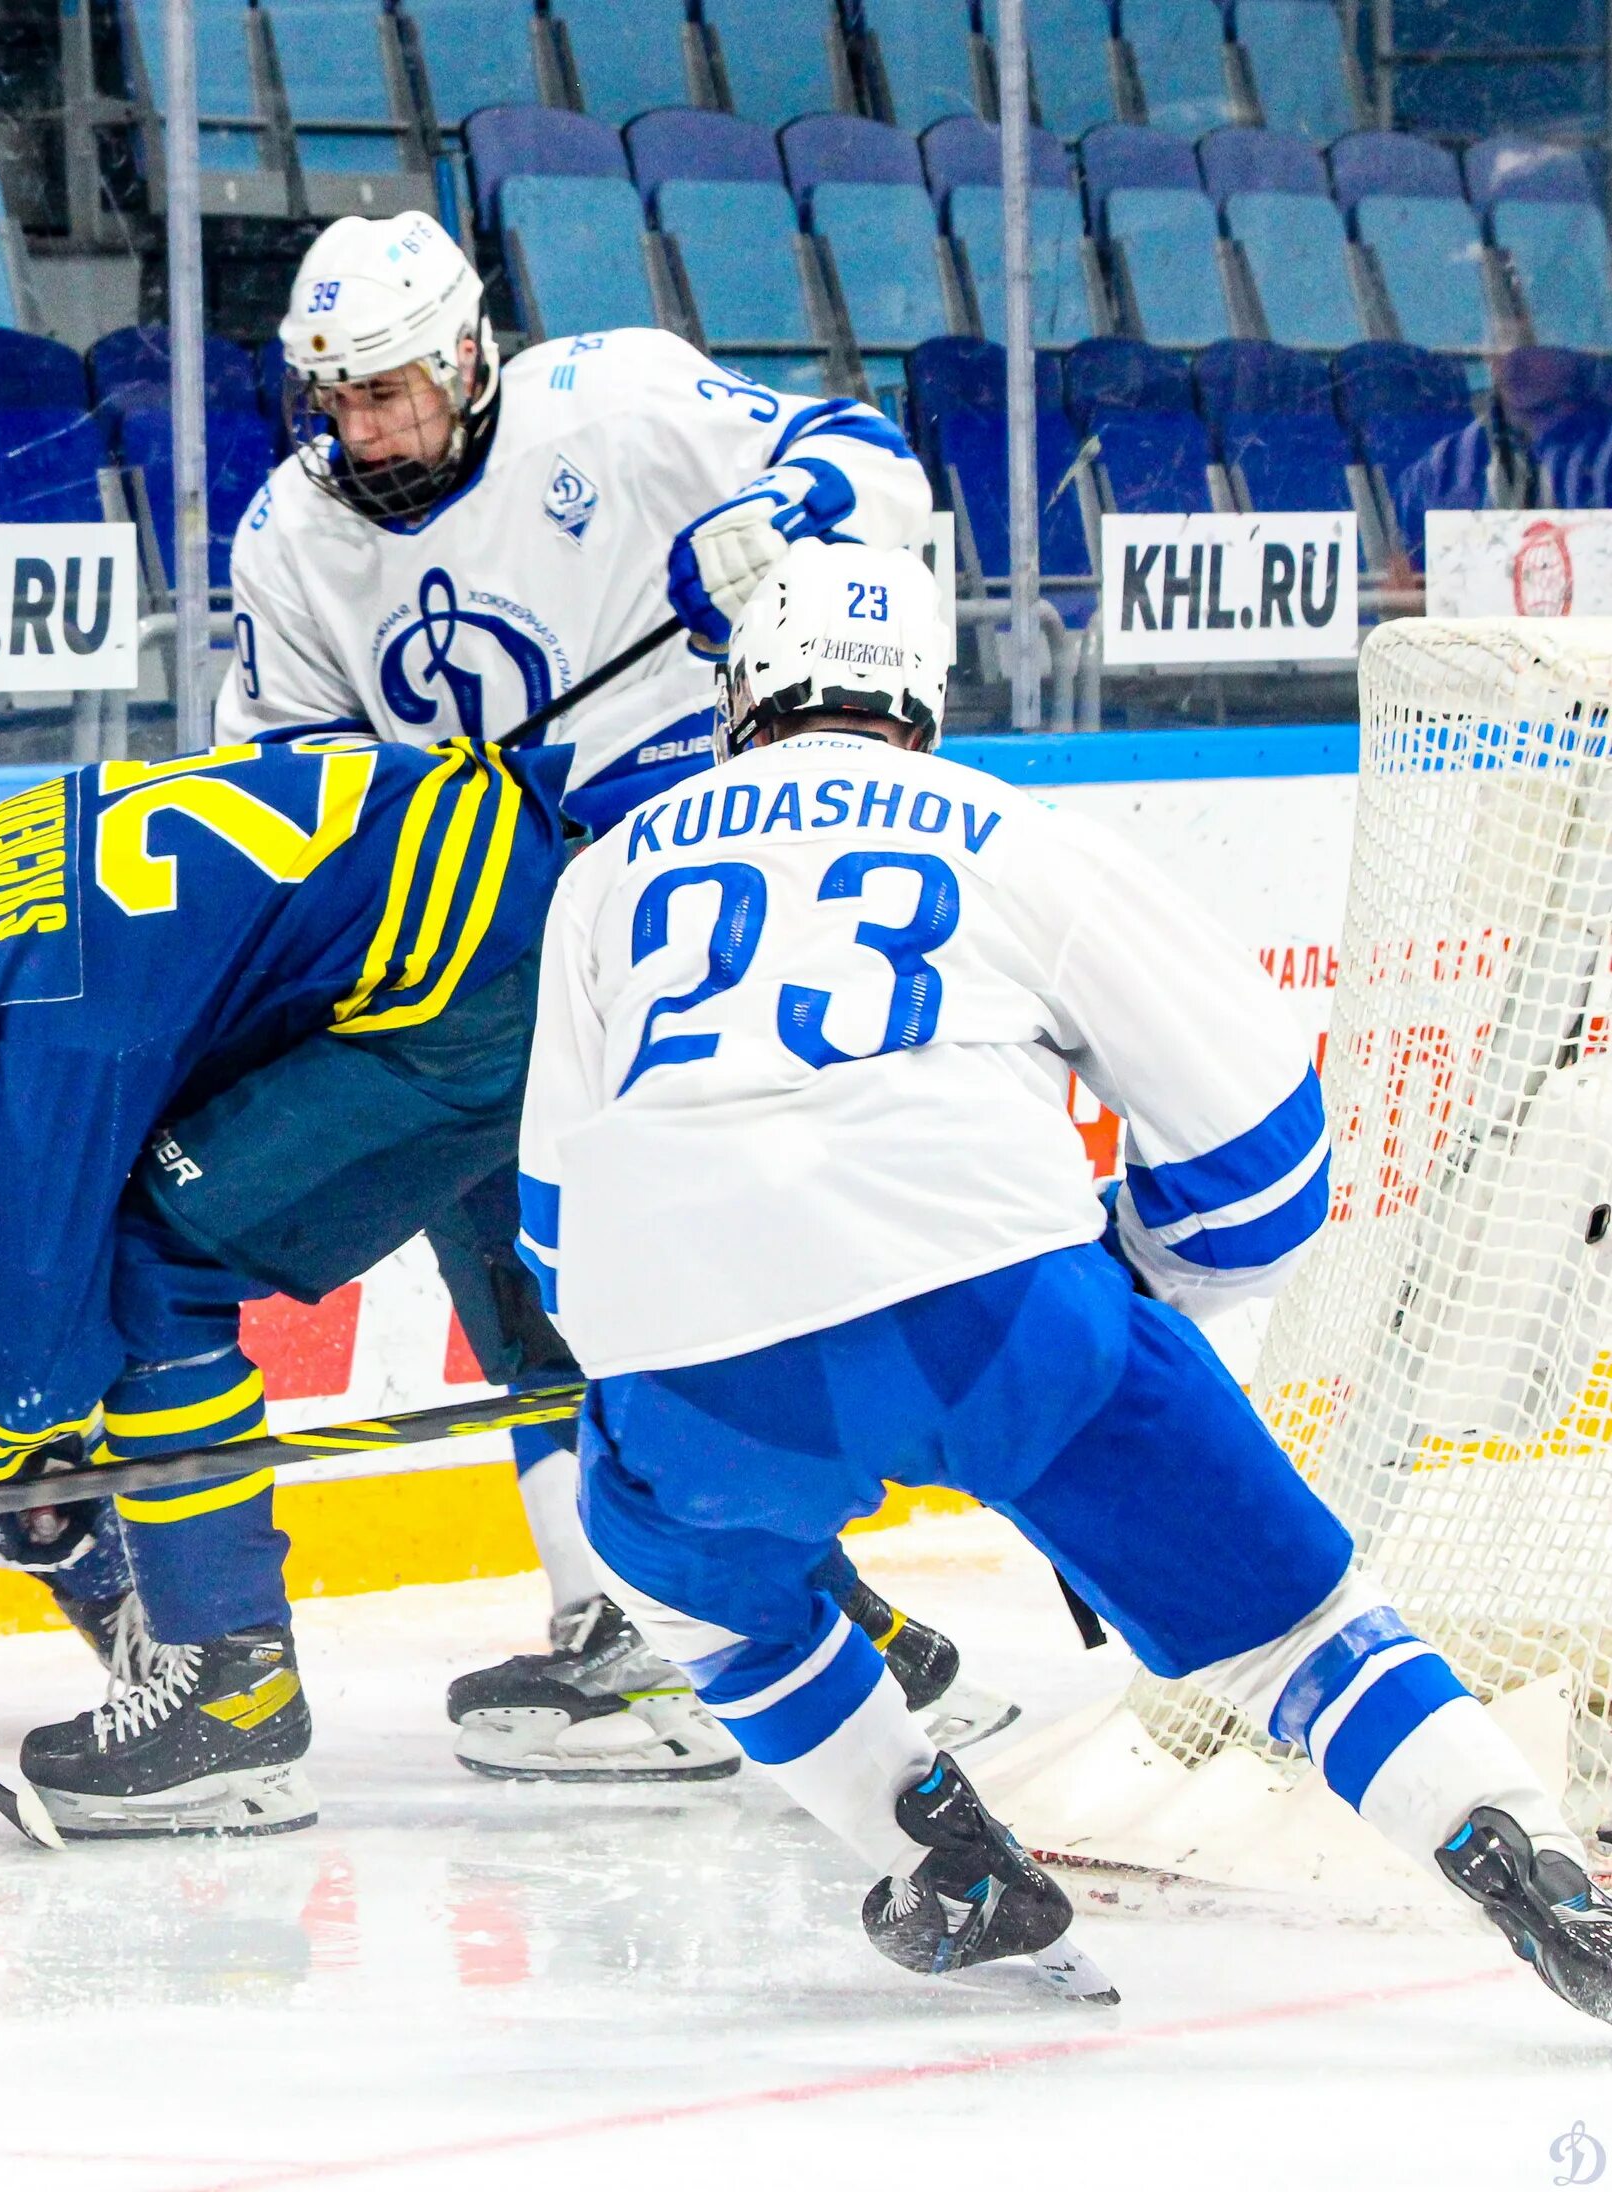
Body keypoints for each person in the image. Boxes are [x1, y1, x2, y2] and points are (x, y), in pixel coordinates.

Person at [517, 537, 1612, 2015]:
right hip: (1004, 1307)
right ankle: (1525, 1857)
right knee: (1297, 1635)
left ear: (741, 691)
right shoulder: (1011, 835)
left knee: (694, 1584)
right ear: (924, 695)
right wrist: (1135, 1293)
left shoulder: (603, 877)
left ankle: (947, 1859)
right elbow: (1269, 1159)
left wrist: (676, 1382)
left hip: (702, 1359)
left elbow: (553, 1231)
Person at [223, 209, 995, 1762]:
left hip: (685, 897)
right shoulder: (290, 535)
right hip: (485, 927)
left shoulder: (623, 401)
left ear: (463, 352)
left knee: (669, 1257)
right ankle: (702, 1611)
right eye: (337, 399)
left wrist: (773, 516)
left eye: (387, 390)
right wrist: (422, 810)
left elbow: (881, 473)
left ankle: (715, 1616)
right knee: (500, 1244)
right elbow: (283, 776)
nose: (361, 429)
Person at [0, 733, 749, 1837]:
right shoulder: (6, 878)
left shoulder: (13, 1002)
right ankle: (754, 1618)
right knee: (536, 1277)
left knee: (154, 1255)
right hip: (554, 900)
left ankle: (228, 1697)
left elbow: (38, 1350)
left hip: (476, 989)